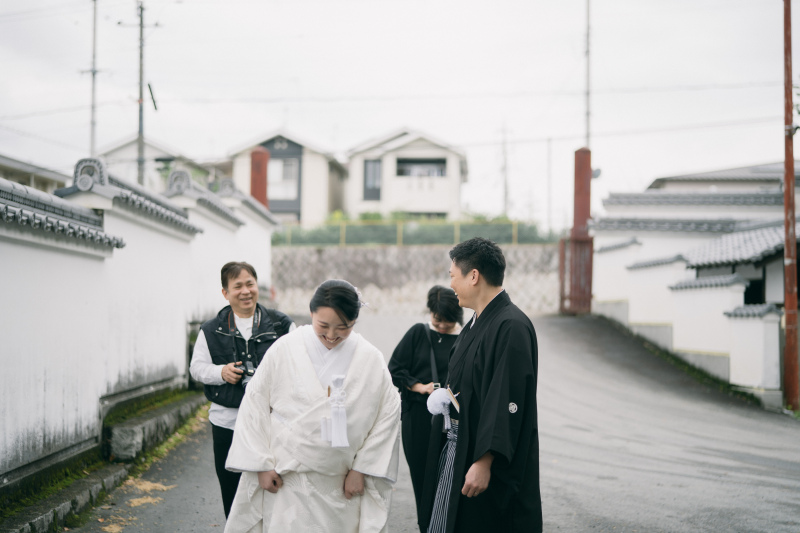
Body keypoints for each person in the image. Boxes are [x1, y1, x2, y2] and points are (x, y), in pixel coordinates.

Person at [223, 279, 401, 533]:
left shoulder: (369, 357)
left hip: (342, 481)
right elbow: (255, 403)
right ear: (311, 313)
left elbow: (388, 413)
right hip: (287, 478)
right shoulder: (285, 347)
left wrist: (362, 469)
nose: (331, 335)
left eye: (343, 327)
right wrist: (261, 464)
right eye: (323, 326)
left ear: (354, 321)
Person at [421, 238, 542, 533]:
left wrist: (485, 460)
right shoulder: (476, 322)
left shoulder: (510, 325)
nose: (451, 285)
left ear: (473, 276)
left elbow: (507, 397)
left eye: (453, 276)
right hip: (460, 446)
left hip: (484, 455)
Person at [189, 261, 294, 518]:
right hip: (228, 423)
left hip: (273, 423)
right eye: (238, 286)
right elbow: (196, 368)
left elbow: (297, 364)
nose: (246, 291)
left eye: (250, 284)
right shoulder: (211, 329)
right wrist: (221, 372)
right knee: (232, 490)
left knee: (277, 489)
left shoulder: (280, 325)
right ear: (225, 292)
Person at [388, 285, 463, 527]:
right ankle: (426, 526)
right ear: (429, 313)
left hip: (452, 422)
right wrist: (420, 387)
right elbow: (394, 369)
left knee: (448, 479)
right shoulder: (418, 333)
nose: (442, 326)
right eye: (437, 319)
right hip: (418, 419)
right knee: (422, 478)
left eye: (448, 322)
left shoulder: (465, 339)